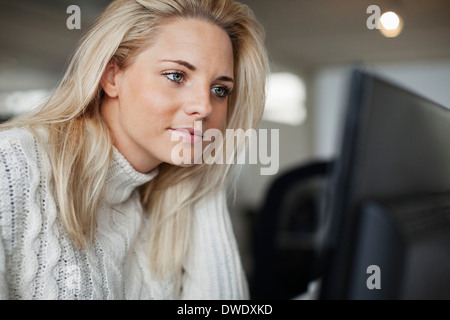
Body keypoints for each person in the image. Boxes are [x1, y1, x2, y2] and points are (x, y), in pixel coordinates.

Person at [0, 0, 268, 299]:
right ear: (112, 76)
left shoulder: (165, 202)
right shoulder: (11, 164)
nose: (205, 107)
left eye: (220, 90)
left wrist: (204, 178)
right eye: (176, 76)